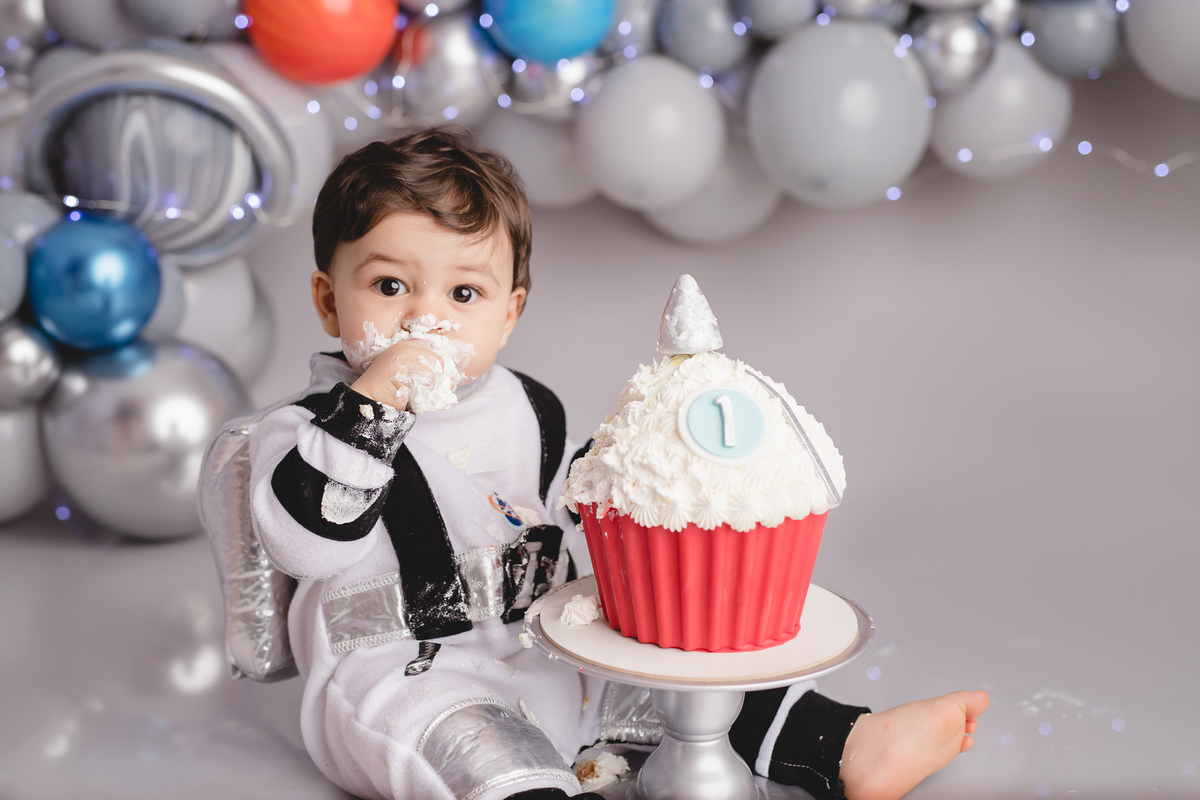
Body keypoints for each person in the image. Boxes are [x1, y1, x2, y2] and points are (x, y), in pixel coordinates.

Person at [248, 126, 989, 800]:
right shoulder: (306, 433)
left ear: (508, 314)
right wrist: (376, 405)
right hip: (405, 671)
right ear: (329, 301)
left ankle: (847, 743)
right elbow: (307, 543)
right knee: (472, 746)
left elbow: (576, 512)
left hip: (544, 652)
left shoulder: (529, 408)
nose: (425, 318)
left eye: (464, 292)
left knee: (686, 687)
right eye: (389, 287)